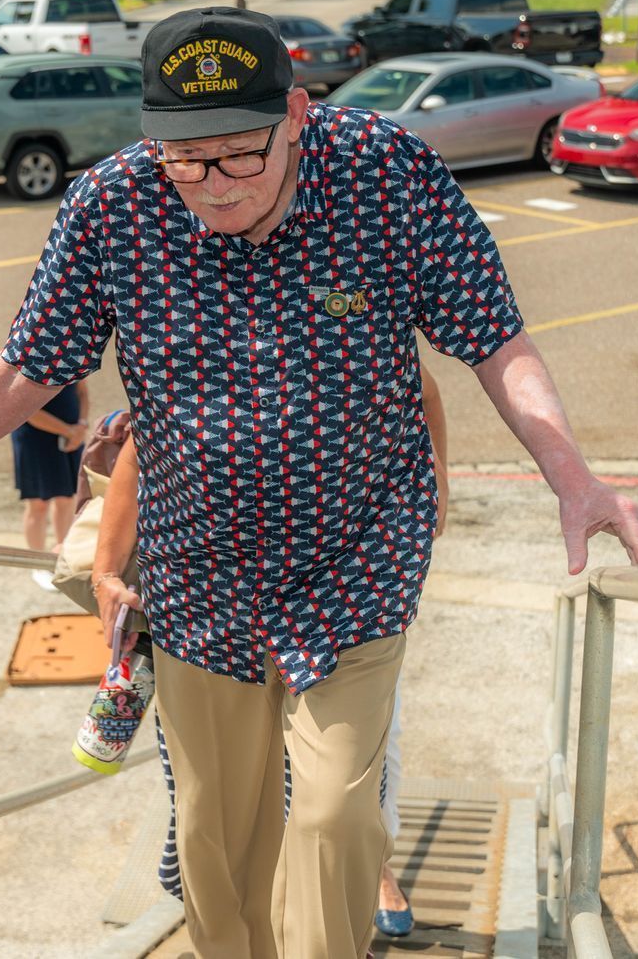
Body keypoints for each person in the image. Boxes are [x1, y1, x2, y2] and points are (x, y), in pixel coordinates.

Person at [0, 7, 638, 959]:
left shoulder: (387, 174)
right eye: (185, 158)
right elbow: (24, 368)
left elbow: (493, 335)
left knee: (332, 821)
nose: (212, 186)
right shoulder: (114, 205)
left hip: (355, 567)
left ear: (295, 113)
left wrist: (572, 478)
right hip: (199, 579)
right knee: (214, 838)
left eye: (240, 155)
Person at [96, 357, 448, 938]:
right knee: (226, 813)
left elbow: (425, 390)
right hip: (215, 613)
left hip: (344, 607)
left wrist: (438, 483)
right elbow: (141, 454)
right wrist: (107, 572)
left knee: (344, 799)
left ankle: (371, 881)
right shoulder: (198, 328)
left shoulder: (352, 318)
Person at [12, 378, 88, 551]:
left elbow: (82, 391)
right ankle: (36, 562)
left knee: (66, 499)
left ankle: (62, 556)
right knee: (38, 503)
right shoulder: (26, 359)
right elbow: (28, 411)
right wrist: (70, 432)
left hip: (71, 437)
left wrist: (82, 425)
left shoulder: (74, 357)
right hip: (34, 439)